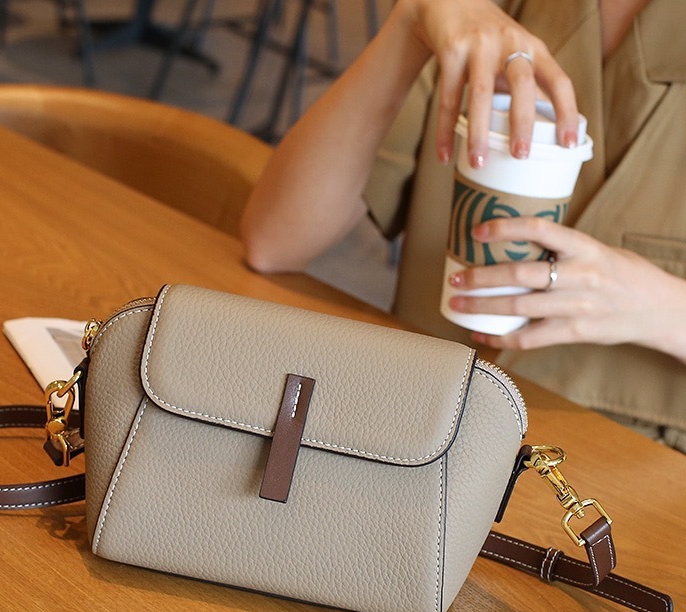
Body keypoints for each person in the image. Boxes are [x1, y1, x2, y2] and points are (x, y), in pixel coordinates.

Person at [241, 0, 686, 451]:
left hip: (627, 467)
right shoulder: (483, 13)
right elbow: (274, 241)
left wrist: (664, 308)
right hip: (422, 428)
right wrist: (409, 22)